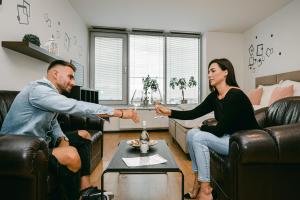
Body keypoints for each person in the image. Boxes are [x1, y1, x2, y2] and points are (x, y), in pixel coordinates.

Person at [1, 60, 139, 200]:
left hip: (41, 144)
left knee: (84, 135)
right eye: (70, 76)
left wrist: (63, 138)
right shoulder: (38, 90)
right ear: (55, 74)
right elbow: (75, 106)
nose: (73, 82)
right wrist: (119, 113)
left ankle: (85, 190)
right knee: (71, 155)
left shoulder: (49, 94)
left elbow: (52, 122)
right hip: (20, 151)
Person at [155, 58, 260, 200]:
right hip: (229, 138)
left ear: (225, 72)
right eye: (208, 71)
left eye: (213, 71)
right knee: (192, 133)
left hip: (244, 143)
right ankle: (198, 181)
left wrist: (203, 127)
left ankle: (205, 190)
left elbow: (219, 130)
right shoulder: (215, 96)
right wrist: (169, 112)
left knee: (198, 136)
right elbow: (193, 113)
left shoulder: (236, 95)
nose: (209, 74)